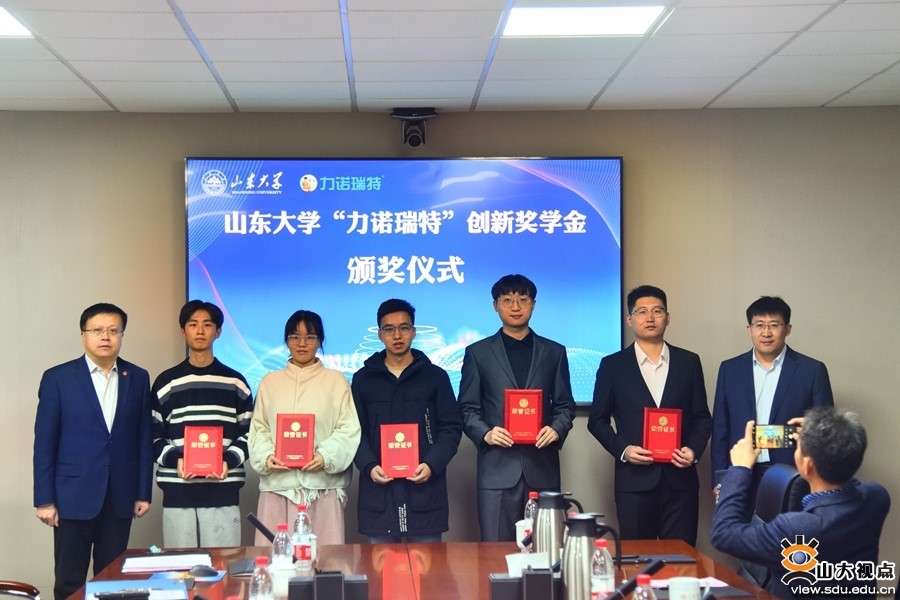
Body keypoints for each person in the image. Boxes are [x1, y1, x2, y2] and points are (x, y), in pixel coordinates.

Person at [33, 303, 153, 600]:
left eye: (114, 330)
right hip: (71, 495)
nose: (106, 337)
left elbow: (143, 439)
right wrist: (44, 499)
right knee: (69, 580)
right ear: (83, 335)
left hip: (120, 495)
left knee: (112, 579)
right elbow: (45, 443)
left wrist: (143, 492)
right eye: (97, 330)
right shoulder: (58, 378)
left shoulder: (138, 378)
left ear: (122, 335)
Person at [711, 407, 890, 599]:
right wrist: (827, 440)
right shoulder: (877, 498)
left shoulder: (796, 529)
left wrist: (740, 468)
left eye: (799, 449)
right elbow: (847, 475)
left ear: (808, 465)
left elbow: (723, 534)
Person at [587, 285, 712, 545]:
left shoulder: (689, 362)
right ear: (629, 319)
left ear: (668, 317)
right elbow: (597, 421)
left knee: (681, 559)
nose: (650, 317)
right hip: (633, 482)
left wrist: (693, 450)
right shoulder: (612, 366)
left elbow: (702, 417)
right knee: (637, 559)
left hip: (680, 482)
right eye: (642, 312)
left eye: (657, 311)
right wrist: (624, 450)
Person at [459, 274, 576, 542]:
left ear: (533, 304)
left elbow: (564, 405)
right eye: (507, 300)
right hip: (496, 469)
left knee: (545, 548)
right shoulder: (478, 353)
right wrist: (486, 433)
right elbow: (467, 408)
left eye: (523, 300)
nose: (515, 307)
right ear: (495, 305)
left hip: (542, 467)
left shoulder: (554, 352)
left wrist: (556, 429)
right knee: (495, 551)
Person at [352, 299, 463, 543]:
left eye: (404, 328)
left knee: (429, 566)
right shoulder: (363, 380)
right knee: (379, 566)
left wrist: (432, 464)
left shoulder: (435, 377)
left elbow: (451, 428)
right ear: (380, 335)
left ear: (414, 332)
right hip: (379, 491)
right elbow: (354, 431)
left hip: (424, 490)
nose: (397, 335)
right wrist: (369, 466)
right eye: (389, 329)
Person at [248, 310, 361, 545]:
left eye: (310, 337)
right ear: (286, 341)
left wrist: (325, 456)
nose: (302, 343)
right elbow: (259, 428)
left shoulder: (336, 381)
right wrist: (266, 456)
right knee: (276, 559)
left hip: (322, 489)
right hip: (278, 488)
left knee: (326, 561)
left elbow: (348, 429)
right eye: (294, 336)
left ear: (320, 341)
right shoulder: (270, 382)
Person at [711, 296, 833, 505]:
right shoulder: (730, 369)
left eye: (774, 325)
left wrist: (819, 480)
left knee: (790, 527)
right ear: (749, 329)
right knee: (739, 526)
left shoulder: (812, 370)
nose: (766, 333)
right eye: (759, 325)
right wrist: (720, 478)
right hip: (740, 473)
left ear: (787, 329)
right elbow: (721, 427)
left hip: (794, 476)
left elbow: (826, 430)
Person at [151, 300, 254, 547]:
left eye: (207, 325)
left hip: (223, 490)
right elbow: (153, 435)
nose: (200, 331)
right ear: (182, 331)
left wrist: (227, 461)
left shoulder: (236, 382)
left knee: (223, 564)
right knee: (180, 564)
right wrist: (176, 460)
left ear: (218, 332)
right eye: (193, 324)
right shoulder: (166, 382)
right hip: (178, 490)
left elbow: (250, 433)